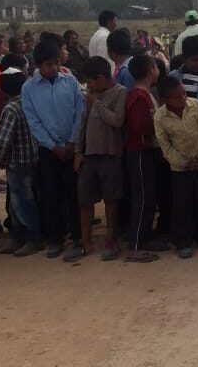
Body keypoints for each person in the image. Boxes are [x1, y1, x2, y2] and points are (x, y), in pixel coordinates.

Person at [21, 40, 85, 258]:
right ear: (38, 64)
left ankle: (78, 236)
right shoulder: (29, 88)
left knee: (74, 193)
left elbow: (79, 111)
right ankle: (55, 238)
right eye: (49, 64)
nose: (55, 68)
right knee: (50, 194)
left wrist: (72, 142)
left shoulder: (70, 81)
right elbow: (33, 121)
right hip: (48, 150)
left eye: (57, 62)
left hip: (71, 146)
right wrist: (52, 146)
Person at [66, 57, 127, 262]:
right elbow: (82, 124)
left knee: (111, 199)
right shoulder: (91, 96)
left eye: (90, 81)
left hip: (110, 155)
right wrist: (78, 151)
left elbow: (117, 120)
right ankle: (85, 242)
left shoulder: (120, 92)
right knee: (85, 200)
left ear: (101, 79)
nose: (89, 86)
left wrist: (97, 104)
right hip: (89, 156)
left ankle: (111, 240)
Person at [153, 76, 198, 259]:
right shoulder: (160, 117)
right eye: (176, 96)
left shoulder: (196, 106)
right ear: (165, 99)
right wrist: (183, 162)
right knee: (182, 204)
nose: (182, 98)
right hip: (180, 168)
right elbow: (166, 147)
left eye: (183, 93)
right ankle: (183, 241)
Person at [0, 67, 43, 257]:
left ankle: (32, 238)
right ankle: (19, 236)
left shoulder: (10, 109)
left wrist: (0, 158)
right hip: (34, 157)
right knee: (23, 200)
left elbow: (3, 141)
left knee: (22, 202)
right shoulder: (31, 102)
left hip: (18, 161)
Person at [124, 55, 165, 262]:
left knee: (149, 196)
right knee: (143, 198)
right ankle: (136, 246)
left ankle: (146, 237)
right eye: (156, 66)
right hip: (140, 150)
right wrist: (160, 125)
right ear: (150, 69)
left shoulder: (146, 93)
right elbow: (139, 126)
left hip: (148, 150)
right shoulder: (139, 96)